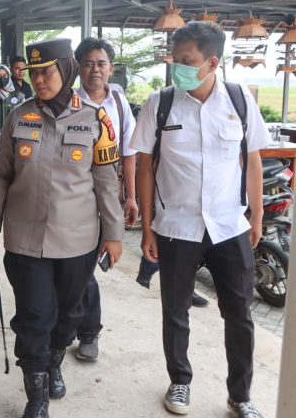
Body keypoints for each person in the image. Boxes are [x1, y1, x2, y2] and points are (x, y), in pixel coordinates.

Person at [132, 21, 268, 418]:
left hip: (229, 227)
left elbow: (253, 160)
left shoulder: (240, 101)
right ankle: (179, 381)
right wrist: (147, 226)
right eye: (176, 61)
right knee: (175, 312)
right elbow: (144, 165)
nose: (180, 69)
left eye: (188, 62)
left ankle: (240, 395)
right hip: (177, 227)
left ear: (212, 62)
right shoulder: (160, 104)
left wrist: (256, 215)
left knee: (240, 314)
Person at [0, 38, 124, 418]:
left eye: (47, 72)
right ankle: (36, 395)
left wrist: (113, 233)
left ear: (66, 70)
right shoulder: (18, 116)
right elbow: (1, 177)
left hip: (76, 241)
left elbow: (107, 182)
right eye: (33, 73)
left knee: (67, 317)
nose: (39, 81)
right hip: (25, 240)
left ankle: (55, 362)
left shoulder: (96, 119)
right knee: (34, 316)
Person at [73, 36, 139, 362]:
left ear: (111, 68)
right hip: (76, 196)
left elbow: (129, 153)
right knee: (79, 265)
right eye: (87, 63)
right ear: (78, 68)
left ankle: (88, 332)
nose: (94, 70)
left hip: (109, 193)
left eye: (101, 63)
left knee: (86, 267)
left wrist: (131, 196)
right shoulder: (69, 102)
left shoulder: (119, 104)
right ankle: (76, 326)